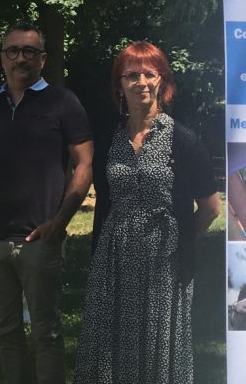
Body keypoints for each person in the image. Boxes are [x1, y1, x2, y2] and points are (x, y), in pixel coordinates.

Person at [73, 41, 220, 384]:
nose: (141, 82)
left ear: (161, 81)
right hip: (113, 259)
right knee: (110, 345)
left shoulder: (183, 140)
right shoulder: (108, 140)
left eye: (149, 74)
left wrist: (179, 240)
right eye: (132, 75)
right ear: (119, 85)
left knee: (158, 347)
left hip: (164, 262)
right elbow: (105, 198)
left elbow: (211, 208)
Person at [0, 22, 93, 384]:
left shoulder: (63, 102)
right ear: (3, 58)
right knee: (6, 332)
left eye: (29, 51)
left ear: (42, 59)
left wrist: (59, 223)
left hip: (41, 239)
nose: (21, 58)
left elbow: (84, 164)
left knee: (46, 333)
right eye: (13, 51)